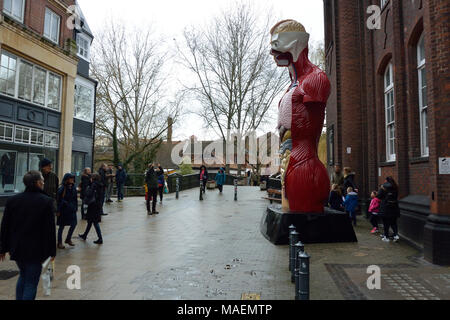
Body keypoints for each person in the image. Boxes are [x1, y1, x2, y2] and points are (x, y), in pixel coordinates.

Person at [0, 171, 56, 300]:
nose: (43, 182)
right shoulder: (46, 201)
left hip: (18, 247)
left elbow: (5, 226)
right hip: (36, 250)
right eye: (42, 180)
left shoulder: (13, 200)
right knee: (31, 282)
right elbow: (50, 230)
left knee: (24, 276)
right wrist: (52, 252)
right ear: (37, 182)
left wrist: (2, 248)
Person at [79, 174, 104, 244]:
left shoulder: (94, 185)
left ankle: (100, 238)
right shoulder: (100, 185)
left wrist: (87, 189)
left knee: (95, 222)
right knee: (90, 221)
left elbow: (89, 194)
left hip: (93, 205)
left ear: (93, 178)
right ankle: (84, 235)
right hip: (97, 205)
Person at [56, 173, 78, 249]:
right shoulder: (62, 188)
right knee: (62, 227)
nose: (72, 180)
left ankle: (68, 239)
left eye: (73, 178)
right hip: (64, 210)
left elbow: (75, 198)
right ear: (66, 179)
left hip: (72, 210)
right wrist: (59, 209)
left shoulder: (73, 187)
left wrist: (75, 207)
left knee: (74, 224)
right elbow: (58, 199)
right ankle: (59, 242)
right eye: (70, 178)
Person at [377, 176, 400, 242]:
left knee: (386, 223)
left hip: (385, 207)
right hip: (394, 207)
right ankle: (396, 235)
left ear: (386, 180)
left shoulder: (383, 187)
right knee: (394, 222)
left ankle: (386, 237)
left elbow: (379, 196)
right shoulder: (395, 187)